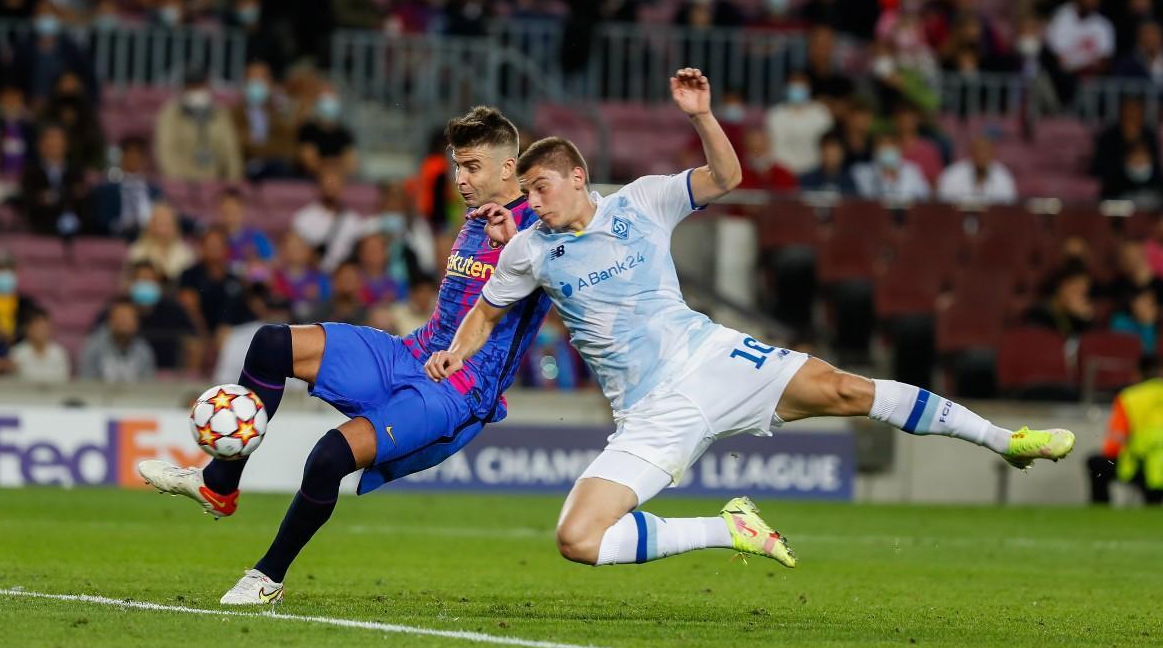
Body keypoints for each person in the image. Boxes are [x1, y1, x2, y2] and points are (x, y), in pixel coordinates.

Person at [426, 68, 1075, 572]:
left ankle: (1004, 440)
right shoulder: (529, 249)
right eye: (527, 192)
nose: (533, 201)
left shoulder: (641, 201)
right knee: (578, 538)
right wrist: (458, 350)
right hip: (650, 412)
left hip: (712, 359)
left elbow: (725, 177)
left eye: (541, 188)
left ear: (578, 176)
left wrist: (702, 116)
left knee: (846, 389)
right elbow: (485, 311)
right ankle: (728, 528)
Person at [137, 106, 554, 605]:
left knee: (328, 456)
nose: (460, 179)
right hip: (411, 352)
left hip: (459, 388)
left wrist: (526, 241)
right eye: (456, 166)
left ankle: (267, 577)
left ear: (507, 168)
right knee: (271, 344)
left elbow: (574, 247)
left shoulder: (542, 228)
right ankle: (219, 484)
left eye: (471, 167)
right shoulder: (475, 217)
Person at [1088, 358, 1163, 504]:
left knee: (1096, 464)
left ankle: (1101, 509)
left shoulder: (1129, 397)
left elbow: (1114, 444)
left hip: (1140, 464)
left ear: (1138, 374)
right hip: (1157, 468)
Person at [154, 69, 243, 181]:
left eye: (200, 86)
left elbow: (231, 150)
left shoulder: (220, 113)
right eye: (192, 87)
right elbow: (165, 150)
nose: (197, 91)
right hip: (182, 181)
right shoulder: (171, 113)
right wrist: (178, 182)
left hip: (216, 180)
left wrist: (232, 181)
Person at [292, 168, 373, 272]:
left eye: (335, 183)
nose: (331, 187)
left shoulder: (353, 221)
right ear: (319, 186)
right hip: (313, 274)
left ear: (342, 187)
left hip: (344, 276)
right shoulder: (303, 218)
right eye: (328, 182)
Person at [20, 123, 88, 237]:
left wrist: (53, 197)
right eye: (50, 139)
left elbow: (80, 197)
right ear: (40, 145)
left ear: (67, 145)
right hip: (42, 229)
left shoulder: (75, 172)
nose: (54, 144)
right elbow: (30, 200)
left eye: (58, 140)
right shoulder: (31, 172)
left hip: (76, 228)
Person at [232, 60, 297, 180]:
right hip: (244, 171)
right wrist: (269, 148)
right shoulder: (233, 114)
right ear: (244, 83)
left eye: (261, 79)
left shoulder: (281, 114)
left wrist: (255, 146)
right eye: (253, 79)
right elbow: (238, 144)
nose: (257, 84)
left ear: (270, 83)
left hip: (276, 171)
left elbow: (287, 147)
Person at [766, 70, 833, 175]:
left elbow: (829, 144)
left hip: (816, 171)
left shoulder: (821, 113)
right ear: (786, 88)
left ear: (809, 88)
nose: (797, 89)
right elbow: (770, 147)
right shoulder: (775, 115)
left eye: (801, 86)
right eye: (794, 86)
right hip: (783, 172)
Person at [79, 297, 155, 383]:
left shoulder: (144, 351)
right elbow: (86, 383)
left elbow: (148, 385)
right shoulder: (93, 348)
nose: (125, 322)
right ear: (110, 321)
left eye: (129, 318)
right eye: (121, 317)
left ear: (137, 323)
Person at [296, 84, 358, 178]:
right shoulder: (308, 130)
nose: (329, 102)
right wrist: (331, 165)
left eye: (332, 98)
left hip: (336, 177)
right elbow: (309, 162)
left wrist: (330, 166)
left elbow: (351, 164)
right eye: (325, 98)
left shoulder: (344, 132)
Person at [851, 131, 931, 202]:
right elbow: (865, 198)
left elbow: (924, 196)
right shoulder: (861, 171)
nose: (887, 148)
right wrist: (882, 174)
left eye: (891, 144)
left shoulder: (912, 170)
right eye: (882, 145)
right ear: (874, 149)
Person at [937, 135, 1018, 205]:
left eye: (986, 151)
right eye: (979, 151)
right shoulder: (952, 175)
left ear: (993, 154)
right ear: (971, 152)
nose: (982, 155)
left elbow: (1009, 206)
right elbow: (944, 205)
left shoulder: (1003, 176)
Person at [126, 204, 195, 282]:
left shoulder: (186, 254)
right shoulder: (137, 251)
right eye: (159, 223)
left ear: (175, 227)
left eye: (166, 224)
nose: (162, 229)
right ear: (150, 226)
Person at [9, 308, 69, 383]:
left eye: (44, 327)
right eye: (37, 327)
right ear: (28, 329)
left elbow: (65, 381)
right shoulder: (17, 353)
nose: (40, 331)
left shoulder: (59, 353)